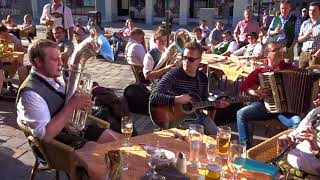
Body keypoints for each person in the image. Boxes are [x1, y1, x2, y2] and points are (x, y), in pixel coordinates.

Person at [16, 39, 122, 146]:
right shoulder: (30, 94)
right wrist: (72, 105)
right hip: (57, 143)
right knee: (107, 153)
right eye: (54, 60)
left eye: (60, 58)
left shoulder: (56, 75)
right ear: (38, 62)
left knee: (120, 140)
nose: (61, 63)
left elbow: (68, 104)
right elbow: (46, 136)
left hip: (74, 129)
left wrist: (84, 105)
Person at [149, 42, 233, 135]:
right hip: (176, 120)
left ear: (199, 60)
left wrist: (216, 105)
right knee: (196, 140)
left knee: (218, 137)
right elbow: (154, 96)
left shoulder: (202, 77)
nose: (186, 62)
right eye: (184, 58)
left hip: (197, 116)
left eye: (191, 59)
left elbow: (203, 101)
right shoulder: (174, 74)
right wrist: (177, 99)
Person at [236, 41, 301, 148]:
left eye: (280, 49)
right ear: (267, 54)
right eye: (275, 50)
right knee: (241, 114)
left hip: (285, 110)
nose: (280, 52)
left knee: (297, 122)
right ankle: (245, 148)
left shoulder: (291, 68)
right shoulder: (261, 69)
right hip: (265, 106)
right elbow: (244, 86)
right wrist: (255, 92)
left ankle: (288, 152)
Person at [277, 105, 320, 179]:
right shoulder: (316, 111)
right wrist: (288, 139)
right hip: (285, 165)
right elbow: (297, 132)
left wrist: (315, 149)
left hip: (308, 175)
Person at [0, 24, 24, 96]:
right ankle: (3, 83)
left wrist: (16, 50)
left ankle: (8, 81)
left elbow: (20, 49)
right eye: (3, 36)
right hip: (2, 60)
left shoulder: (12, 37)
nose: (5, 37)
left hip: (8, 59)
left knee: (18, 62)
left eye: (6, 34)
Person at [298, 2, 320, 69]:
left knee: (314, 78)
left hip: (315, 54)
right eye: (310, 10)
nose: (311, 12)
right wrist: (305, 36)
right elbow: (299, 40)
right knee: (301, 77)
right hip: (304, 54)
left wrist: (317, 54)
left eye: (314, 10)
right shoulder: (305, 23)